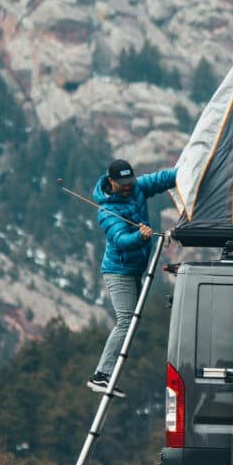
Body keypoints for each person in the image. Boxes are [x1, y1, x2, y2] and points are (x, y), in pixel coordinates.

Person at [87, 159, 177, 397]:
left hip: (135, 269)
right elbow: (121, 241)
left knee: (131, 322)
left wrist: (186, 173)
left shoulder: (136, 187)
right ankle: (101, 375)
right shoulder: (106, 211)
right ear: (111, 181)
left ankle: (107, 374)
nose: (128, 186)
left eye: (130, 181)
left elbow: (160, 180)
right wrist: (140, 236)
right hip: (119, 272)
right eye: (123, 183)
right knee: (126, 321)